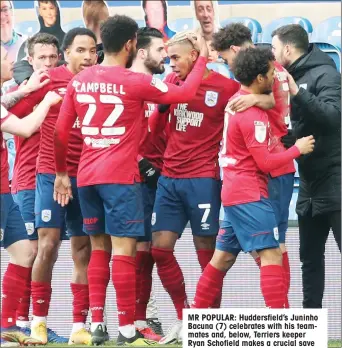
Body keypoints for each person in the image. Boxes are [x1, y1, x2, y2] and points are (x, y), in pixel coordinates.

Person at [53, 14, 208, 346]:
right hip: (120, 177)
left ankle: (97, 325)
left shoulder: (78, 81)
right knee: (124, 252)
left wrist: (63, 174)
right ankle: (126, 330)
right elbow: (186, 94)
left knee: (98, 250)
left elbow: (61, 131)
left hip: (86, 175)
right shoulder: (133, 81)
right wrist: (204, 55)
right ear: (130, 44)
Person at [191, 47, 315, 310]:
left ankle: (196, 322)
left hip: (235, 191)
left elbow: (269, 101)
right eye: (271, 73)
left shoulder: (240, 100)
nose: (274, 77)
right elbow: (265, 162)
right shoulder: (251, 114)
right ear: (259, 78)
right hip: (250, 193)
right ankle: (279, 326)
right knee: (271, 254)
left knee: (221, 259)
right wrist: (297, 150)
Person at [145, 30, 238, 344]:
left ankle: (208, 326)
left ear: (194, 56)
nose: (171, 65)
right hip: (169, 179)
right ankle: (185, 316)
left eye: (175, 58)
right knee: (159, 249)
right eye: (169, 58)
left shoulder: (226, 88)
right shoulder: (171, 84)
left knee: (208, 257)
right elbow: (154, 129)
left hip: (202, 180)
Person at [8, 28, 98, 345]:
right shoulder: (48, 81)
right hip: (49, 175)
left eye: (92, 51)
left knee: (83, 249)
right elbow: (11, 115)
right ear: (67, 53)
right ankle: (38, 324)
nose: (88, 57)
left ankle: (79, 327)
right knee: (46, 247)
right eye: (81, 50)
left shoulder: (101, 81)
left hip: (87, 176)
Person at [213, 22, 296, 308]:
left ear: (235, 51)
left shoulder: (261, 80)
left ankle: (282, 318)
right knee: (264, 249)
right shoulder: (273, 72)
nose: (227, 64)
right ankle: (281, 315)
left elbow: (274, 97)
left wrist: (255, 97)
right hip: (255, 174)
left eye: (225, 58)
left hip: (267, 170)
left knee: (270, 248)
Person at [271, 24, 341, 308]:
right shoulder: (286, 78)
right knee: (309, 259)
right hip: (309, 184)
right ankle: (311, 328)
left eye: (275, 48)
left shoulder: (327, 73)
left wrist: (297, 92)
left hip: (336, 180)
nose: (273, 55)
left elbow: (333, 117)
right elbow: (298, 129)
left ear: (288, 49)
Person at [5, 32, 68, 344]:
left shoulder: (59, 87)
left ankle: (26, 321)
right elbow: (18, 123)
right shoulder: (24, 93)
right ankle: (21, 323)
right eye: (40, 58)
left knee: (45, 252)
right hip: (29, 182)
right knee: (30, 253)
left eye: (51, 58)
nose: (47, 64)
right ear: (28, 60)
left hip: (52, 180)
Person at [130, 26, 168, 342]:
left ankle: (146, 318)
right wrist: (143, 164)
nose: (165, 56)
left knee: (152, 251)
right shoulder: (128, 85)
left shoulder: (160, 86)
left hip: (160, 177)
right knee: (137, 251)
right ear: (142, 52)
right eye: (160, 50)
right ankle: (136, 320)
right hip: (136, 179)